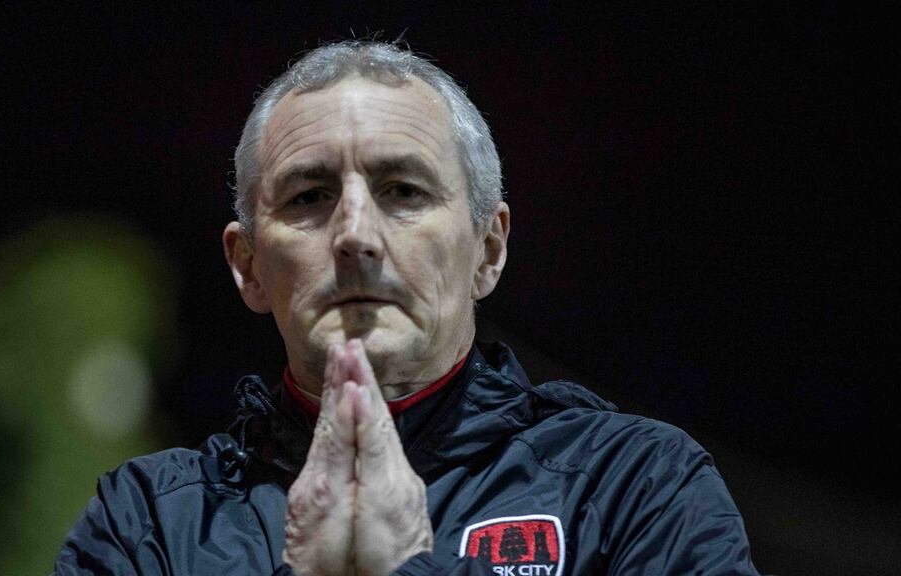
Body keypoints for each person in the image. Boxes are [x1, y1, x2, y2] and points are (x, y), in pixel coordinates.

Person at [54, 40, 758, 575]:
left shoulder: (636, 485)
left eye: (404, 191)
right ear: (248, 266)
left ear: (488, 249)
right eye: (308, 197)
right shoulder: (147, 521)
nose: (356, 234)